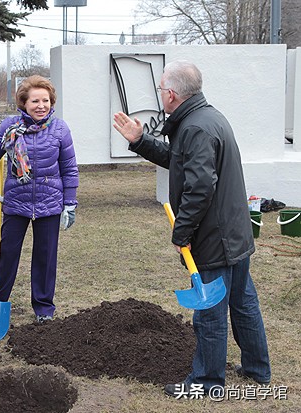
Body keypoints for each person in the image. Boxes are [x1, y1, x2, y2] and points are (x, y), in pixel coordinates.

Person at [112, 60, 271, 397]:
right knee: (243, 302)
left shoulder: (196, 127)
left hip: (216, 235)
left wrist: (181, 232)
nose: (160, 95)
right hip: (233, 231)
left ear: (171, 94)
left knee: (210, 311)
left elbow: (200, 188)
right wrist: (142, 140)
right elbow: (179, 160)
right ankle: (258, 369)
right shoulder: (205, 117)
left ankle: (206, 383)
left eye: (160, 90)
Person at [0, 75, 79, 324]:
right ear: (24, 102)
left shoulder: (60, 129)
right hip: (15, 202)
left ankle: (44, 309)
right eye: (35, 100)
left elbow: (69, 168)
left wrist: (70, 202)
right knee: (7, 254)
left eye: (45, 100)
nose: (41, 105)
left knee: (46, 257)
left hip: (50, 202)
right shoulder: (9, 128)